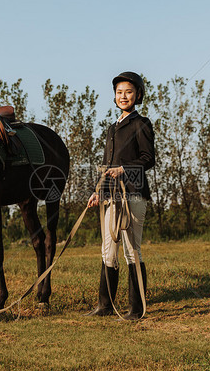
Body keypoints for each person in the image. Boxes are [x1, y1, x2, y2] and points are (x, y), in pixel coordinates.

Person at [85, 71, 155, 320]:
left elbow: (149, 159)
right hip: (110, 197)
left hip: (133, 194)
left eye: (128, 92)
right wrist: (97, 191)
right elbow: (107, 163)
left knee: (131, 251)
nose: (123, 96)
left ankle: (136, 309)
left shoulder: (142, 124)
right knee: (107, 251)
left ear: (137, 95)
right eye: (119, 92)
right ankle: (104, 306)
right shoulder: (112, 128)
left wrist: (123, 170)